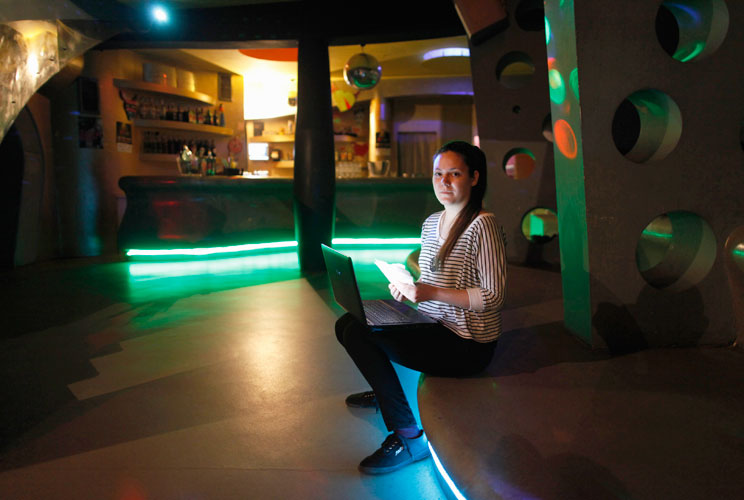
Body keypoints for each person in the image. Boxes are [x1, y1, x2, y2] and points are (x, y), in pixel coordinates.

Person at [335, 140, 507, 475]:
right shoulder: (431, 223)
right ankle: (385, 391)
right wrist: (405, 290)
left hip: (467, 344)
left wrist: (431, 293)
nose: (443, 182)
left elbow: (493, 296)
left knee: (359, 334)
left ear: (474, 177)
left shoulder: (482, 225)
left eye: (453, 174)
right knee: (347, 323)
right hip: (431, 322)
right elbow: (426, 283)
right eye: (438, 174)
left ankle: (410, 438)